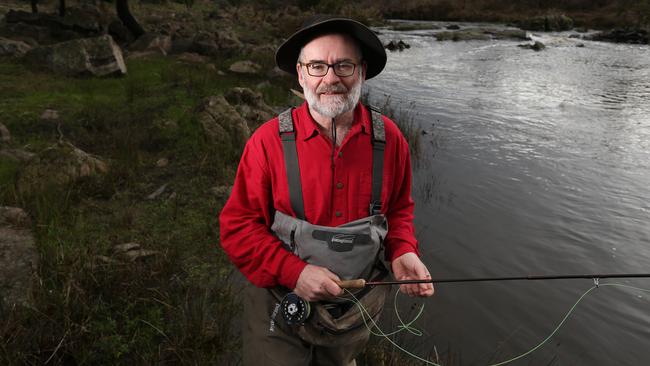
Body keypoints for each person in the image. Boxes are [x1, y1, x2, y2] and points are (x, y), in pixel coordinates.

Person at [219, 15, 434, 366]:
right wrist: (295, 273)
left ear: (361, 72)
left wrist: (402, 251)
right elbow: (237, 228)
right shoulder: (267, 142)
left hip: (352, 308)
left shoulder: (392, 139)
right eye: (317, 66)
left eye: (343, 65)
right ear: (301, 74)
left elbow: (398, 211)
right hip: (278, 300)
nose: (331, 78)